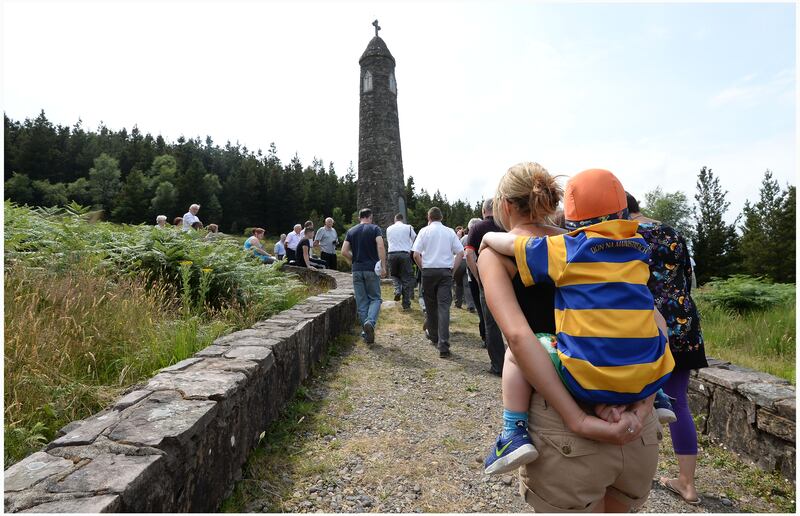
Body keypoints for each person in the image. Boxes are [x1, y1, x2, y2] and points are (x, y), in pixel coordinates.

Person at [480, 166, 672, 512]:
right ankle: (660, 399)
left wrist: (577, 419)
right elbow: (653, 319)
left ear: (506, 206)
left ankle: (513, 431)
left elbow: (519, 339)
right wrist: (643, 405)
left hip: (564, 429)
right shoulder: (609, 246)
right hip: (636, 421)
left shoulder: (507, 254)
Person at [627, 193, 707, 506]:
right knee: (679, 402)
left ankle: (630, 473)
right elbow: (686, 277)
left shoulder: (628, 235)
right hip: (683, 316)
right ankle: (687, 483)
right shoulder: (672, 232)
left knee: (635, 397)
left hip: (645, 319)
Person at [411, 207, 465, 358]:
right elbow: (460, 253)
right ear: (441, 217)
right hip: (445, 273)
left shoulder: (424, 231)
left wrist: (423, 269)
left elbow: (415, 254)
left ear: (429, 218)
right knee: (443, 308)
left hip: (428, 271)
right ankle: (444, 345)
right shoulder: (449, 232)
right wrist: (452, 271)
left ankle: (433, 335)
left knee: (430, 306)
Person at [465, 199, 506, 375]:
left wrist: (478, 277)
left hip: (488, 280)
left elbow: (468, 254)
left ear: (483, 211)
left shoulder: (477, 228)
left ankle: (498, 365)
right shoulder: (506, 226)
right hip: (510, 278)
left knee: (491, 324)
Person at [341, 208, 387, 344]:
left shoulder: (351, 231)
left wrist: (353, 260)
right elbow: (380, 246)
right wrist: (383, 266)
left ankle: (366, 334)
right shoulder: (375, 229)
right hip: (371, 269)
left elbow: (344, 251)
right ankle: (370, 323)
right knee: (376, 298)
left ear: (359, 217)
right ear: (370, 217)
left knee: (362, 302)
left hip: (356, 270)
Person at [386, 213, 416, 310]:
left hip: (392, 254)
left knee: (394, 275)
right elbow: (415, 239)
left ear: (395, 220)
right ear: (402, 220)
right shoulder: (408, 227)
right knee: (406, 279)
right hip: (404, 254)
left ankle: (397, 289)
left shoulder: (389, 228)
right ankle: (406, 304)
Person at [466, 218, 484, 322]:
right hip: (485, 272)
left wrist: (476, 276)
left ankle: (484, 331)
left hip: (474, 273)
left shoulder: (467, 238)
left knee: (479, 303)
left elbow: (468, 255)